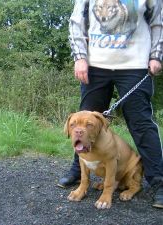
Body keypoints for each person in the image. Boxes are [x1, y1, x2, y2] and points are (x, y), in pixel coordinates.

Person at [58, 0, 163, 208]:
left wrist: (156, 55)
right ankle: (78, 171)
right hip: (95, 64)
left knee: (141, 124)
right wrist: (79, 57)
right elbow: (77, 21)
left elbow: (158, 21)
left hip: (136, 64)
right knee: (84, 125)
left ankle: (159, 181)